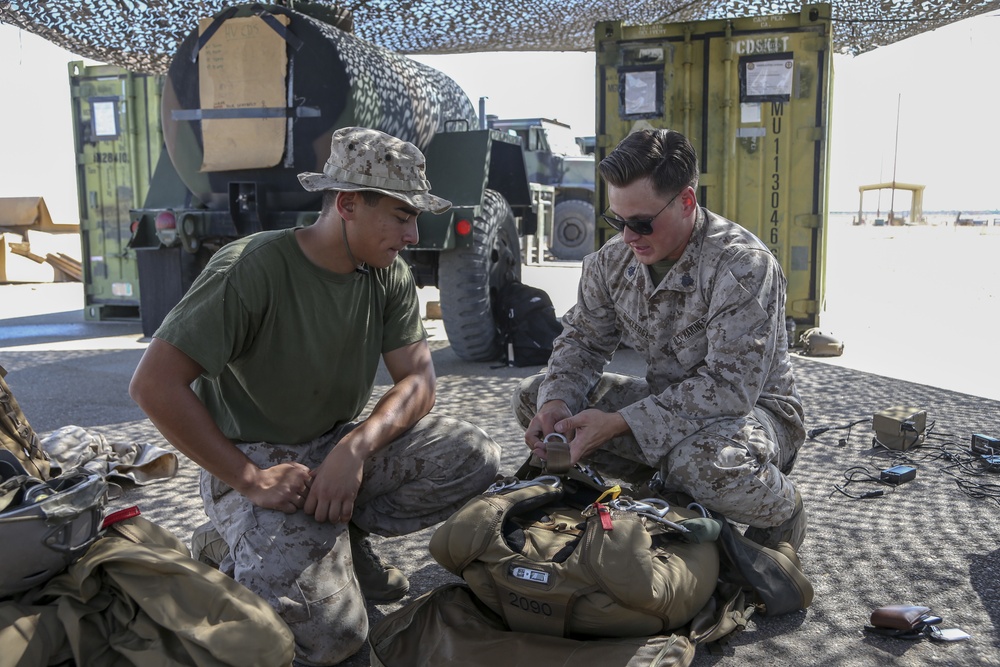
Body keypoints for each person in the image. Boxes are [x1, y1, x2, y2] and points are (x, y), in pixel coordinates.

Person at [129, 126, 501, 666]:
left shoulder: (387, 274)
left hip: (334, 447)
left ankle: (330, 532)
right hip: (259, 461)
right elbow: (153, 385)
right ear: (347, 203)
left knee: (473, 456)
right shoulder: (251, 269)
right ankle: (230, 535)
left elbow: (418, 382)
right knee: (331, 638)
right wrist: (248, 480)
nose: (414, 234)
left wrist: (355, 450)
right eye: (401, 215)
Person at [512, 128, 806, 551]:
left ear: (686, 201)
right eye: (618, 220)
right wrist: (556, 402)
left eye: (642, 222)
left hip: (755, 416)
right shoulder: (611, 262)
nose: (629, 237)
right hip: (667, 401)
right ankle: (666, 482)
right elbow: (582, 343)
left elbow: (730, 390)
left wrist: (617, 424)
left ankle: (783, 507)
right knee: (534, 397)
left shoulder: (741, 265)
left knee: (704, 464)